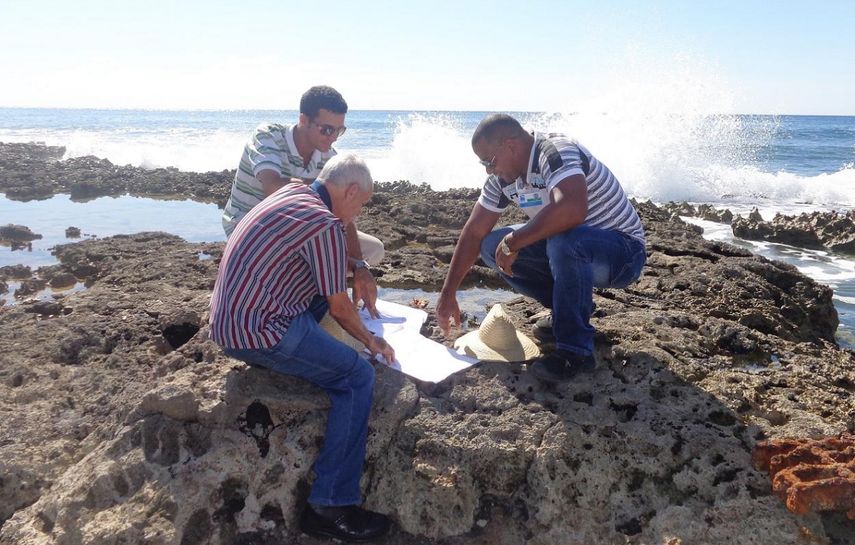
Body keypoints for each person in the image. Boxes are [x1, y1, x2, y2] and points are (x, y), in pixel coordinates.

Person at [209, 154, 394, 542]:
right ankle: (329, 505)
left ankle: (319, 352)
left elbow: (325, 292)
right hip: (257, 330)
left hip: (232, 317)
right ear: (351, 191)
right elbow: (340, 307)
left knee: (325, 309)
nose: (358, 212)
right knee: (357, 377)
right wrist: (371, 340)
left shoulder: (295, 193)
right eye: (361, 203)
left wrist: (359, 270)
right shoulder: (323, 224)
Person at [436, 114, 647, 383]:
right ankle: (567, 313)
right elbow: (474, 231)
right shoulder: (504, 179)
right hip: (573, 249)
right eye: (483, 164)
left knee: (562, 240)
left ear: (510, 145)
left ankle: (576, 352)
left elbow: (572, 209)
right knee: (491, 246)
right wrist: (447, 293)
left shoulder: (555, 151)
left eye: (489, 162)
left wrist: (515, 241)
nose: (488, 170)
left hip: (623, 253)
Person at [222, 85, 384, 314]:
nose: (333, 138)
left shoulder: (328, 157)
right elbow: (273, 188)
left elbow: (340, 215)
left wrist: (359, 265)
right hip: (250, 230)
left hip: (298, 230)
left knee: (373, 250)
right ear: (304, 120)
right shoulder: (268, 136)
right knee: (318, 256)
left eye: (339, 130)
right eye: (327, 129)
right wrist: (329, 189)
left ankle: (321, 296)